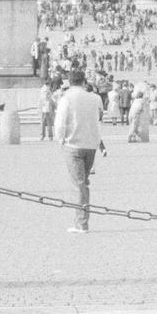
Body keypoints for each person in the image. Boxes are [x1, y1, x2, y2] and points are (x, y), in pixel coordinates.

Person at [53, 68, 103, 233]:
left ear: (69, 81)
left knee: (79, 185)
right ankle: (82, 220)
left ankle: (81, 224)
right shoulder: (95, 98)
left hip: (73, 145)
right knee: (83, 183)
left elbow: (60, 123)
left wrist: (60, 140)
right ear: (83, 82)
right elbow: (98, 119)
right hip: (90, 145)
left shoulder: (66, 98)